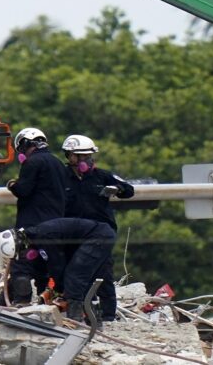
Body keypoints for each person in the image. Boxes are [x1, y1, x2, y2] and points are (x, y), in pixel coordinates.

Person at [62, 134, 134, 321]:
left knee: (104, 275)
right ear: (70, 156)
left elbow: (129, 190)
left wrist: (117, 189)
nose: (86, 160)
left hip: (101, 234)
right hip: (73, 234)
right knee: (76, 273)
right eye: (81, 156)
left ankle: (108, 315)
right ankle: (82, 311)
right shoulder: (61, 177)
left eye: (89, 155)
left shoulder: (102, 176)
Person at [0, 218, 116, 321]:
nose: (23, 253)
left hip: (98, 236)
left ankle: (75, 318)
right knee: (100, 273)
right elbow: (40, 269)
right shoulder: (35, 236)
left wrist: (60, 292)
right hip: (101, 234)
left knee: (75, 275)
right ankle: (106, 314)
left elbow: (57, 267)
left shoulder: (45, 238)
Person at [1, 127, 70, 305]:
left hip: (31, 224)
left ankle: (21, 301)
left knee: (21, 266)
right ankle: (44, 303)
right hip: (55, 224)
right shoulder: (58, 164)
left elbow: (24, 190)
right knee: (43, 267)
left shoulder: (32, 163)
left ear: (25, 144)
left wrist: (12, 185)